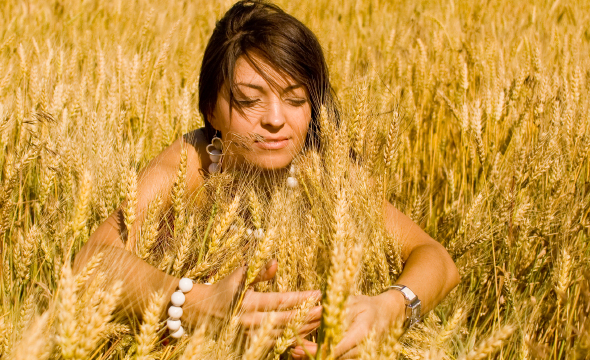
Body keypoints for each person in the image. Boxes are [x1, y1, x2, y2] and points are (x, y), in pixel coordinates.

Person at [73, 1, 460, 358]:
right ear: (211, 109)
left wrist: (391, 307)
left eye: (295, 99)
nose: (276, 119)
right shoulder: (191, 163)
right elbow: (91, 262)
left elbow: (437, 259)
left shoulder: (323, 170)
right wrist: (195, 304)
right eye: (249, 100)